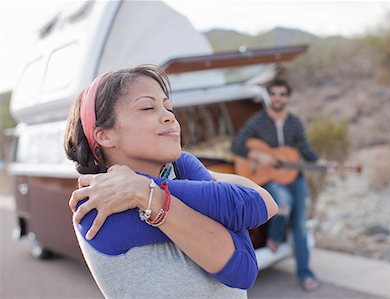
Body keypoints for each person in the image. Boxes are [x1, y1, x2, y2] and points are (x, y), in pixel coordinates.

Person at [64, 64, 278, 298]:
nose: (169, 116)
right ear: (105, 135)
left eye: (168, 107)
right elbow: (244, 270)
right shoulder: (97, 208)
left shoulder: (181, 166)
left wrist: (144, 189)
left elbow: (258, 204)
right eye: (147, 107)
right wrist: (146, 191)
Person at [231, 78, 325, 292]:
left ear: (288, 97)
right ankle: (275, 235)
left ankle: (305, 273)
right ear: (269, 96)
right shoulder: (257, 121)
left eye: (282, 94)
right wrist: (258, 156)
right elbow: (236, 145)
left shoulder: (295, 123)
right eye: (273, 94)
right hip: (271, 179)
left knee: (300, 226)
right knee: (283, 202)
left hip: (295, 178)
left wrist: (321, 163)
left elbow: (305, 149)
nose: (278, 98)